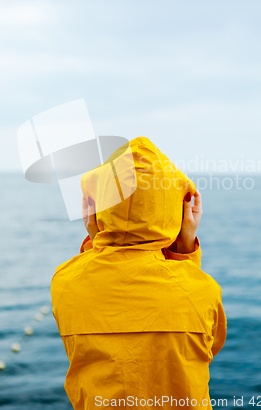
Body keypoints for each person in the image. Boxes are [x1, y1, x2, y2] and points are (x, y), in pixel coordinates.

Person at [51, 137, 227, 410]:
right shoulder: (202, 289)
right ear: (177, 210)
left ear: (95, 208)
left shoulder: (63, 283)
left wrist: (97, 233)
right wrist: (185, 247)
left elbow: (90, 278)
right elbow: (207, 347)